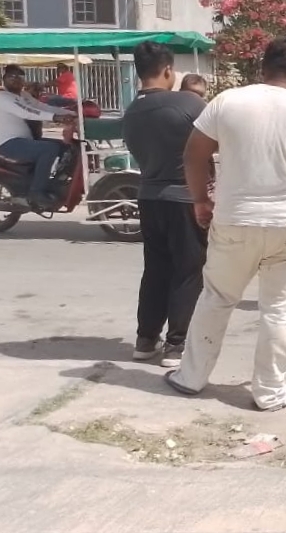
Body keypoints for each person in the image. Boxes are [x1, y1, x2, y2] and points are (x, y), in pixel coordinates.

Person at [166, 36, 286, 412]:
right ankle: (270, 393)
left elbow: (194, 154)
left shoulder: (228, 102)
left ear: (262, 67)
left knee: (217, 298)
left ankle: (191, 378)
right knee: (281, 310)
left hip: (236, 220)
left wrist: (200, 200)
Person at [122, 42, 208, 368]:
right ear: (169, 70)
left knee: (156, 269)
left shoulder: (132, 112)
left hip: (148, 197)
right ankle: (176, 345)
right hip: (183, 199)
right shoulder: (188, 103)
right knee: (188, 271)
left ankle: (145, 339)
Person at [0, 64, 75, 209]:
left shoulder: (24, 95)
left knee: (67, 147)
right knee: (48, 149)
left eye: (19, 76)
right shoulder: (1, 96)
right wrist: (55, 117)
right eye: (11, 76)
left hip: (24, 140)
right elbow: (26, 112)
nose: (16, 79)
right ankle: (36, 192)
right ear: (4, 79)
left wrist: (72, 114)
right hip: (8, 143)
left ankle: (54, 183)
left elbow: (42, 107)